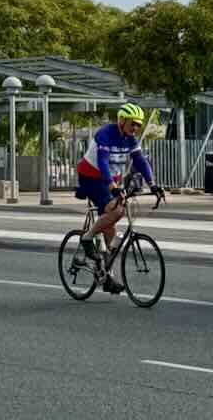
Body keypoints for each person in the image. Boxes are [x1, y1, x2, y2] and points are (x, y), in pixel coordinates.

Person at [72, 103, 162, 292]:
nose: (136, 128)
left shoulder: (131, 139)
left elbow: (140, 161)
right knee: (117, 210)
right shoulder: (106, 134)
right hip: (91, 177)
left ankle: (107, 277)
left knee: (111, 225)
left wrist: (153, 184)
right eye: (133, 123)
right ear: (122, 121)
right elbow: (103, 162)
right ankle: (87, 238)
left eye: (139, 125)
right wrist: (113, 186)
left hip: (109, 180)